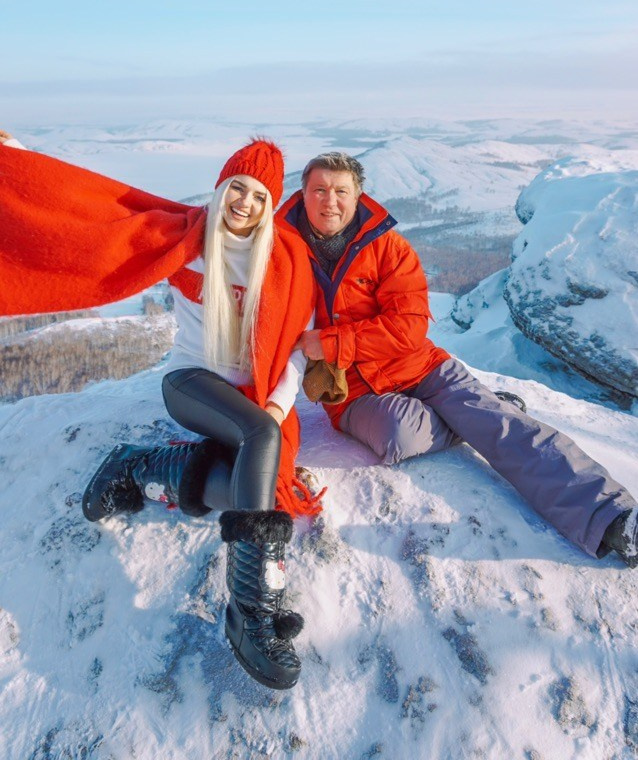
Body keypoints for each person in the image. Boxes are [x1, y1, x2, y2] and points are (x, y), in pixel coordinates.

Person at [0, 136, 324, 690]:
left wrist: (276, 400)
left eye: (258, 195)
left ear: (271, 205)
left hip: (254, 398)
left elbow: (296, 346)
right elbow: (91, 212)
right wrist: (15, 161)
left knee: (263, 490)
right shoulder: (188, 240)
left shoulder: (287, 258)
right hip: (190, 382)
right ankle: (251, 613)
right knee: (262, 441)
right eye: (236, 189)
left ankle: (145, 467)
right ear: (221, 189)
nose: (244, 203)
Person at [277, 151, 638, 568]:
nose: (330, 201)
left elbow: (409, 326)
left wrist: (332, 342)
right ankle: (471, 418)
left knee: (505, 427)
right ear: (302, 194)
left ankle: (611, 518)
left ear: (358, 196)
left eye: (341, 191)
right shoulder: (283, 250)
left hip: (421, 366)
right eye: (319, 190)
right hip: (353, 390)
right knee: (399, 435)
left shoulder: (388, 248)